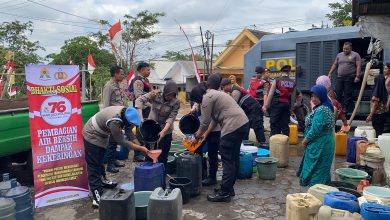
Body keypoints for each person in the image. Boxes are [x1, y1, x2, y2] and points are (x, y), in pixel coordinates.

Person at [189, 83, 249, 203]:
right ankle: (229, 188)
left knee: (227, 159)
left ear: (198, 97)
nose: (199, 104)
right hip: (242, 123)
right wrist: (205, 134)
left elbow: (204, 122)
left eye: (198, 101)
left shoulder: (206, 98)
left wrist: (196, 137)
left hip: (232, 126)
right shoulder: (215, 94)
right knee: (233, 158)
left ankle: (224, 192)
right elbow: (214, 121)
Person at [83, 106, 149, 208]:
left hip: (102, 134)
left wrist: (141, 145)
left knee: (99, 160)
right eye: (131, 124)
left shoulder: (126, 113)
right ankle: (97, 197)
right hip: (92, 134)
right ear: (127, 121)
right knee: (94, 165)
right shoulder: (115, 121)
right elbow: (123, 142)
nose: (131, 126)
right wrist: (141, 149)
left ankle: (102, 181)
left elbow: (130, 133)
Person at [296, 85, 335, 186]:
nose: (313, 99)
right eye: (312, 96)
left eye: (316, 96)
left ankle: (316, 191)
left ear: (321, 96)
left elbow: (315, 130)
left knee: (317, 168)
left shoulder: (322, 110)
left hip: (321, 144)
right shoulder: (325, 106)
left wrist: (305, 140)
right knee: (320, 167)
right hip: (321, 142)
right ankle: (320, 190)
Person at [135, 80, 180, 166]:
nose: (170, 97)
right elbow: (139, 100)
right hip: (152, 127)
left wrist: (164, 131)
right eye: (169, 95)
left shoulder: (176, 102)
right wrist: (140, 117)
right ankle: (148, 172)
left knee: (163, 155)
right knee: (149, 153)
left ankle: (161, 174)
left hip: (166, 129)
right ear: (165, 91)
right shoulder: (155, 94)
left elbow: (171, 117)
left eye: (173, 95)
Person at [191, 74, 222, 186]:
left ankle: (212, 177)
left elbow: (207, 121)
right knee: (199, 151)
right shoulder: (203, 91)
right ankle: (202, 173)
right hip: (205, 127)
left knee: (213, 153)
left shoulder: (216, 94)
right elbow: (197, 100)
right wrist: (194, 108)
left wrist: (197, 136)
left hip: (215, 128)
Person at [220, 78, 266, 145]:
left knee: (257, 128)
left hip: (254, 109)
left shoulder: (235, 90)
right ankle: (245, 145)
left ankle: (263, 145)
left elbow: (233, 104)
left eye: (223, 87)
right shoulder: (232, 91)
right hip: (248, 111)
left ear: (228, 85)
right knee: (245, 129)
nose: (223, 89)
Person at [102, 66, 126, 173]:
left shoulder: (118, 85)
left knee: (116, 140)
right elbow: (106, 104)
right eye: (121, 74)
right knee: (112, 141)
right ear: (115, 74)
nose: (123, 75)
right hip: (112, 118)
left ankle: (114, 159)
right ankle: (110, 165)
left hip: (118, 116)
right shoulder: (109, 86)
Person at [328, 42, 362, 113]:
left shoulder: (355, 55)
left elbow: (358, 66)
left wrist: (357, 76)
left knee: (348, 93)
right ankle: (337, 107)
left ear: (351, 48)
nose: (345, 50)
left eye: (347, 49)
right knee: (338, 92)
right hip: (340, 77)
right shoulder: (339, 55)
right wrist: (330, 73)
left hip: (350, 77)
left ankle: (345, 108)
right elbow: (335, 64)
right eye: (344, 49)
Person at [263, 65, 296, 136]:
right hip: (286, 105)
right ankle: (285, 142)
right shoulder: (293, 82)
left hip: (276, 105)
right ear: (289, 72)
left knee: (274, 124)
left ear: (282, 72)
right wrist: (291, 108)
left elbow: (271, 94)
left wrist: (267, 106)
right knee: (285, 124)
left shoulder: (277, 80)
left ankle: (275, 142)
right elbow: (293, 97)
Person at [128, 62, 152, 162]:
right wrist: (150, 105)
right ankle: (137, 155)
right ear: (142, 70)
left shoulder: (145, 80)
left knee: (145, 130)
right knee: (139, 132)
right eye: (148, 69)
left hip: (146, 110)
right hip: (140, 110)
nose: (149, 71)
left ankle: (144, 152)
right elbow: (139, 98)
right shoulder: (138, 81)